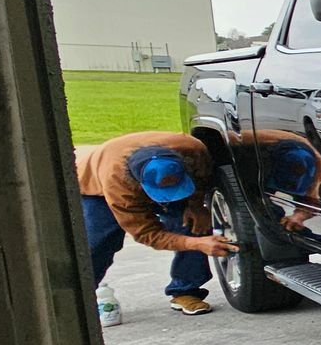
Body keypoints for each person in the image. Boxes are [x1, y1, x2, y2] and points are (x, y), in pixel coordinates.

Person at [75, 131, 234, 317]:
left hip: (157, 169)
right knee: (99, 243)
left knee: (193, 224)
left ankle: (185, 290)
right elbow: (147, 234)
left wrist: (196, 205)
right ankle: (82, 299)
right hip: (97, 187)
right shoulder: (119, 187)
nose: (166, 202)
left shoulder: (193, 150)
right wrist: (197, 244)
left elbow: (201, 178)